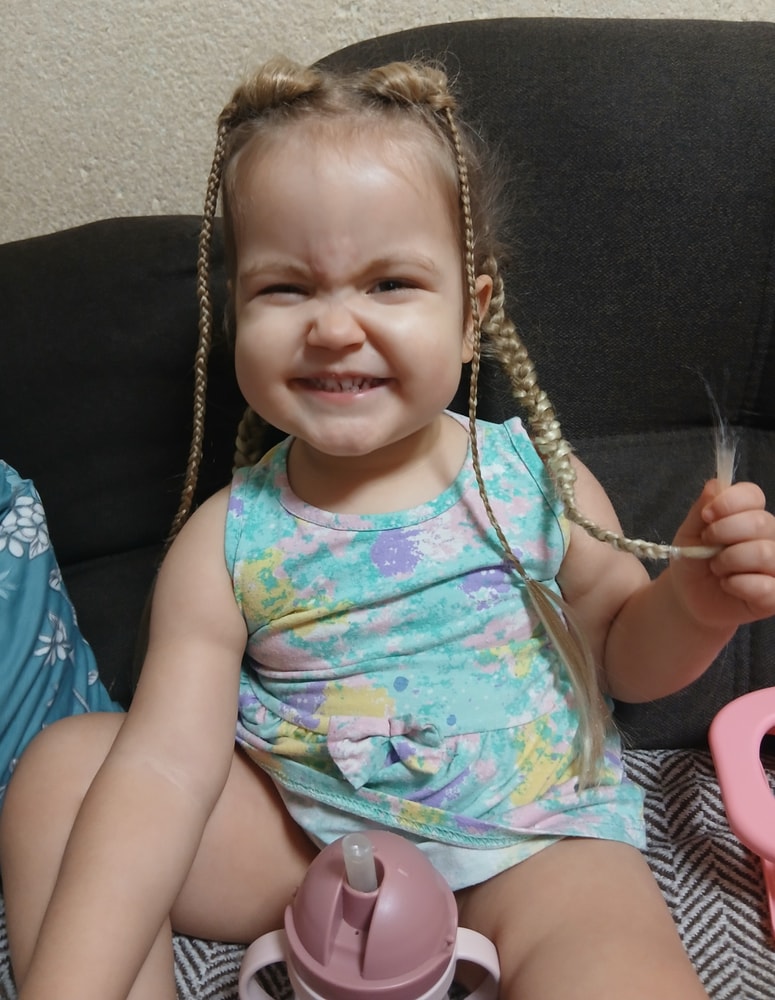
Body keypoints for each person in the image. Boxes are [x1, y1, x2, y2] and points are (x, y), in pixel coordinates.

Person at [2, 56, 775, 1000]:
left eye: (390, 283)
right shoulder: (226, 540)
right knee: (67, 771)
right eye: (286, 289)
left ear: (471, 314)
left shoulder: (532, 480)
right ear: (234, 310)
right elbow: (167, 765)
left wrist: (696, 605)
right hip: (304, 845)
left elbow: (620, 658)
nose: (334, 328)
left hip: (529, 842)